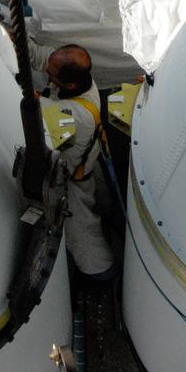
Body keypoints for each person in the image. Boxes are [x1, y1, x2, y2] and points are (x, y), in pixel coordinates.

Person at [42, 45, 116, 280]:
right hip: (90, 164)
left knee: (82, 232)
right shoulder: (84, 84)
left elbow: (38, 111)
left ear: (69, 85)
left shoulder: (74, 115)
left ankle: (101, 272)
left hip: (74, 181)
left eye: (51, 73)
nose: (46, 71)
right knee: (98, 207)